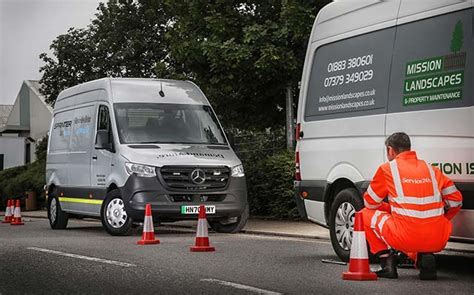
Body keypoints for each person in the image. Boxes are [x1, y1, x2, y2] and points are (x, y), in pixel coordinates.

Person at [361, 132, 463, 280]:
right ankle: (424, 256)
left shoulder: (387, 169)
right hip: (437, 238)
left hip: (404, 236)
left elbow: (370, 203)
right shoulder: (432, 169)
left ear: (390, 150)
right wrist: (442, 219)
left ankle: (387, 264)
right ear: (409, 148)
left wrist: (388, 209)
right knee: (416, 228)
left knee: (364, 214)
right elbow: (456, 201)